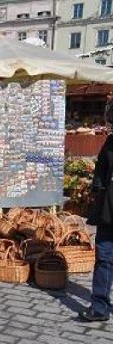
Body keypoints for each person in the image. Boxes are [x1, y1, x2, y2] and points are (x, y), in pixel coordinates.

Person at [80, 97, 113, 322]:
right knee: (104, 258)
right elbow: (100, 174)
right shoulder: (110, 143)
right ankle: (100, 306)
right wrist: (98, 191)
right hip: (108, 211)